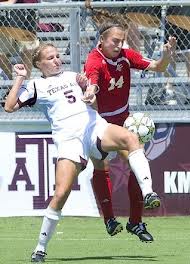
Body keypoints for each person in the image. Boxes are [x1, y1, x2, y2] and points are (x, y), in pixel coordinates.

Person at [5, 43, 160, 262]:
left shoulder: (73, 76)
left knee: (130, 138)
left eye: (58, 56)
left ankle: (149, 193)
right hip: (69, 139)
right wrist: (20, 77)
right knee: (61, 194)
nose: (57, 60)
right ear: (39, 64)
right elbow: (9, 106)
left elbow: (93, 100)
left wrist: (90, 94)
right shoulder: (35, 85)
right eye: (50, 58)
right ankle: (40, 248)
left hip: (93, 126)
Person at [84, 21, 176, 241]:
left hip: (123, 118)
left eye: (121, 41)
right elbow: (92, 82)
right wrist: (90, 91)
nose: (119, 45)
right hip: (99, 122)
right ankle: (109, 219)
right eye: (114, 41)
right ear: (102, 41)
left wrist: (166, 56)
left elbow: (158, 67)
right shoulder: (94, 60)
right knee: (101, 166)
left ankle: (136, 222)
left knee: (137, 164)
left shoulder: (126, 55)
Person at [0, 0, 39, 79]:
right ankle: (9, 85)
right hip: (3, 9)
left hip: (26, 8)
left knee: (28, 50)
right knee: (2, 51)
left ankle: (24, 85)